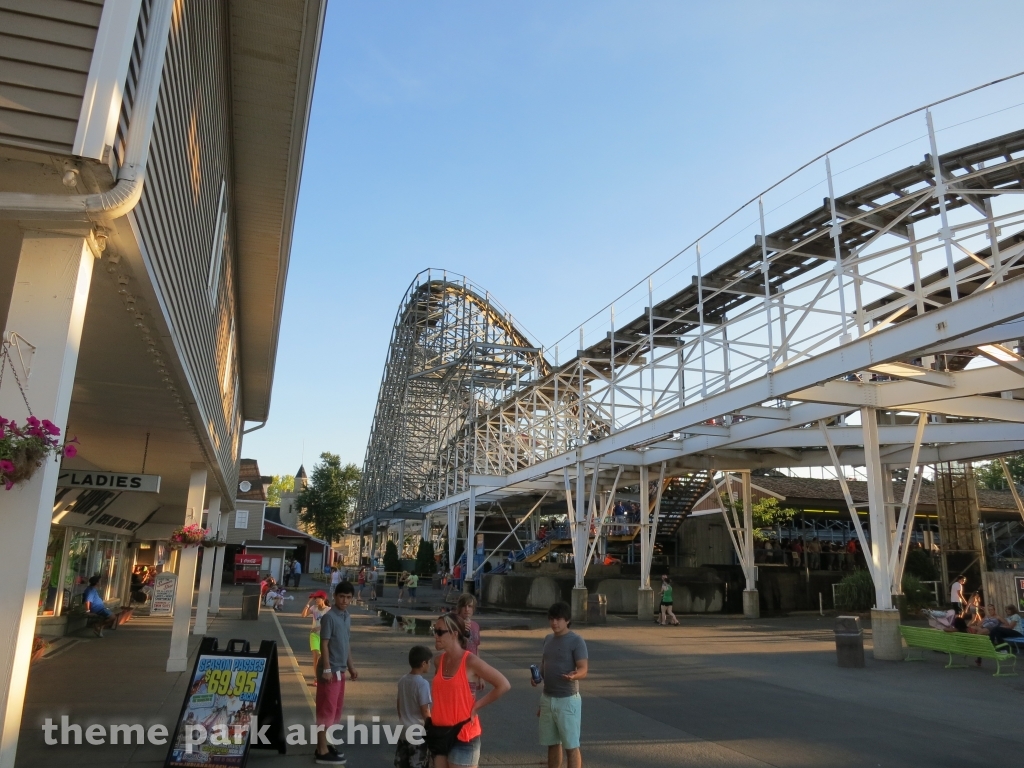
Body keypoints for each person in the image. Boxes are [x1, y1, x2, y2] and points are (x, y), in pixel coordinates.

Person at [429, 612, 510, 768]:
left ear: (454, 634)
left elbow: (503, 684)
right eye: (435, 630)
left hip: (464, 735)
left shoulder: (470, 661)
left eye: (440, 631)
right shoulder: (439, 661)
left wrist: (477, 706)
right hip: (439, 733)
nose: (435, 635)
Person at [533, 601, 588, 768]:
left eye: (558, 619)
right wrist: (537, 676)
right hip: (548, 697)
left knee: (571, 745)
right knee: (552, 743)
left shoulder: (576, 641)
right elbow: (544, 664)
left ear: (567, 620)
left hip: (567, 699)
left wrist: (575, 675)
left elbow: (584, 669)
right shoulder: (548, 639)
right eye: (551, 619)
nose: (554, 623)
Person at [314, 581, 358, 765]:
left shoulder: (346, 616)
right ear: (335, 596)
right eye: (342, 596)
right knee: (326, 710)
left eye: (348, 597)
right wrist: (326, 668)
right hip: (329, 671)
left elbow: (346, 644)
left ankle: (324, 744)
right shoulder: (329, 617)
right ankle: (321, 750)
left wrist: (351, 666)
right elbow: (324, 643)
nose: (345, 600)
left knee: (334, 710)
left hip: (340, 670)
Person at [395, 645, 433, 768]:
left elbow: (399, 705)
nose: (430, 665)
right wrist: (431, 727)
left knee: (403, 764)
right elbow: (424, 710)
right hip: (417, 733)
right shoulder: (422, 684)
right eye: (429, 662)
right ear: (423, 663)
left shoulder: (402, 680)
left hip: (403, 730)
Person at [456, 594, 483, 691]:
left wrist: (480, 675)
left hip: (472, 672)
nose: (467, 609)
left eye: (470, 606)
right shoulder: (453, 624)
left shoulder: (475, 626)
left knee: (470, 703)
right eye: (464, 606)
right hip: (458, 671)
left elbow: (476, 650)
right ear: (459, 608)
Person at [302, 590, 329, 672]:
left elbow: (331, 624)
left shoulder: (328, 610)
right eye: (315, 598)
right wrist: (309, 602)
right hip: (314, 635)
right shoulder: (314, 608)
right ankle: (316, 677)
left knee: (321, 656)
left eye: (318, 598)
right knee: (316, 656)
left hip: (324, 636)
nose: (316, 600)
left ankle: (323, 672)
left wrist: (319, 627)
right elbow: (303, 615)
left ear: (323, 599)